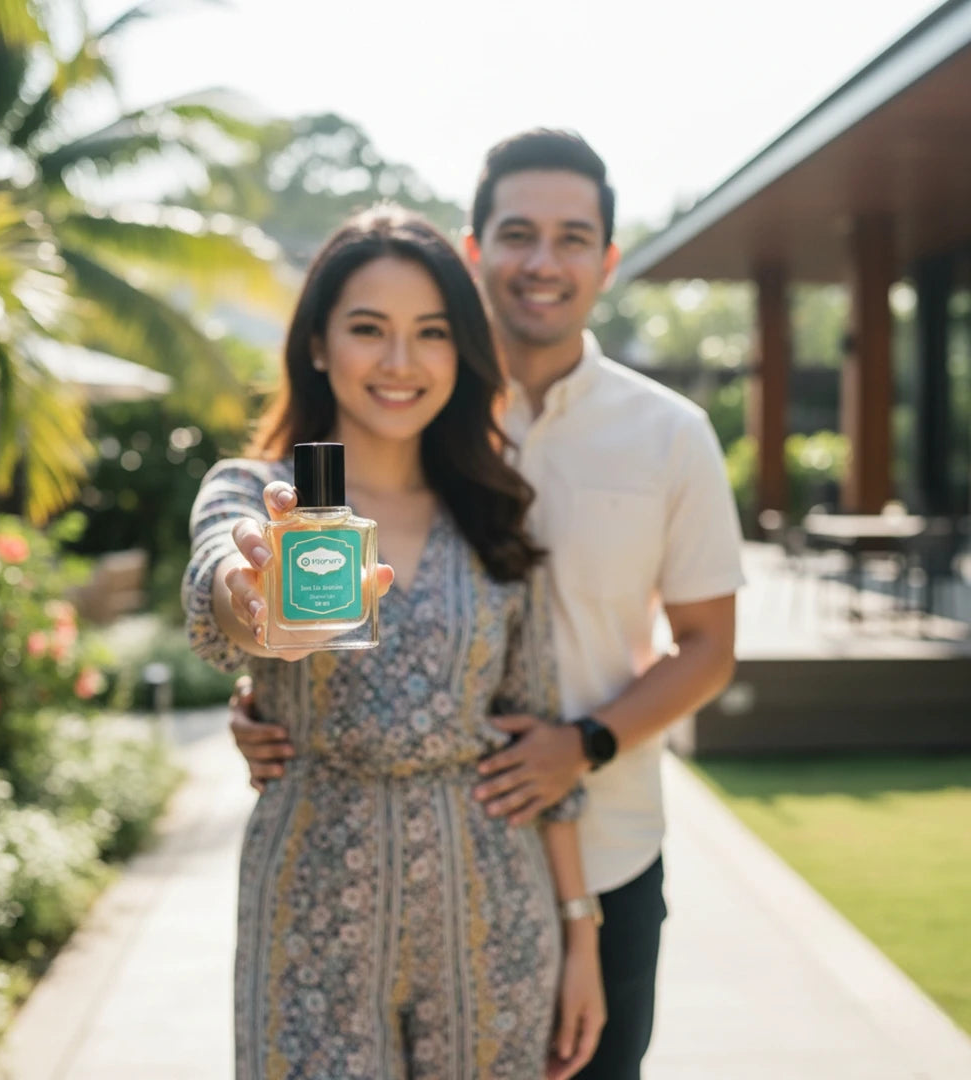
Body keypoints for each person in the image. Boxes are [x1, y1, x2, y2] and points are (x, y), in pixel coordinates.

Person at [230, 130, 745, 1080]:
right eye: (516, 233)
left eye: (572, 237)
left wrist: (581, 742)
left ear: (607, 258)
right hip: (374, 879)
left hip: (607, 854)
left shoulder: (671, 434)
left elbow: (710, 648)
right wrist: (264, 670)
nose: (543, 262)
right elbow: (268, 595)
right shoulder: (406, 406)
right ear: (473, 252)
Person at [182, 206, 605, 1080]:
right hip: (309, 905)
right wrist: (254, 603)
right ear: (316, 344)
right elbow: (223, 577)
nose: (401, 362)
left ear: (461, 352)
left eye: (431, 333)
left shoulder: (495, 511)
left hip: (491, 902)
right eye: (369, 329)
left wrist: (580, 931)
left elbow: (536, 731)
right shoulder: (261, 492)